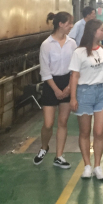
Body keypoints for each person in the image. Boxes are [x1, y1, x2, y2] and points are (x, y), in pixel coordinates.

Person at [69, 20, 103, 181]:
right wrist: (73, 97)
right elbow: (74, 76)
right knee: (84, 132)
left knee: (99, 132)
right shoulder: (79, 52)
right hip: (84, 92)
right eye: (101, 30)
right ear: (93, 31)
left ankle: (97, 166)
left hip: (102, 92)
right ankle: (87, 165)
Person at [35, 12, 77, 169]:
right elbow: (45, 71)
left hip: (67, 82)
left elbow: (75, 67)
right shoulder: (46, 45)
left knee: (63, 122)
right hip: (51, 84)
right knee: (48, 123)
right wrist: (56, 90)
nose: (71, 26)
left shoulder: (72, 43)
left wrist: (69, 87)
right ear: (60, 24)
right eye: (69, 23)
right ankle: (44, 147)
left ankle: (59, 156)